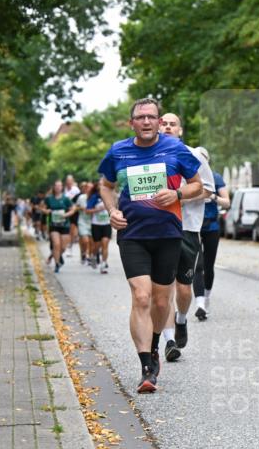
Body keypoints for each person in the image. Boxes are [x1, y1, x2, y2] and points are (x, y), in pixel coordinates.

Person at [97, 98, 203, 393]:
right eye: (140, 117)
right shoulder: (118, 151)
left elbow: (199, 185)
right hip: (132, 234)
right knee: (141, 297)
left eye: (151, 117)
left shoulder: (175, 149)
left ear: (159, 122)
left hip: (168, 234)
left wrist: (178, 194)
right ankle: (146, 366)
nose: (146, 122)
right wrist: (112, 211)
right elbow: (105, 184)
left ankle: (155, 346)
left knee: (160, 301)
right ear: (132, 123)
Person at [156, 113, 216, 362]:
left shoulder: (195, 155)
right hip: (157, 228)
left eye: (173, 124)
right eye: (164, 123)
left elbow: (209, 191)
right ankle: (169, 340)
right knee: (163, 287)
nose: (168, 127)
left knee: (183, 288)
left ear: (180, 131)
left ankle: (181, 320)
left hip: (187, 228)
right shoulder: (152, 155)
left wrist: (178, 195)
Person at [193, 155, 229, 321]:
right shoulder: (189, 177)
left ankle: (206, 298)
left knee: (208, 265)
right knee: (197, 265)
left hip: (211, 226)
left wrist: (213, 197)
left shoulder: (215, 177)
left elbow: (227, 203)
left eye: (203, 159)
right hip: (194, 226)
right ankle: (199, 303)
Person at [42, 180, 75, 272]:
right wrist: (46, 211)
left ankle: (56, 256)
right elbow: (43, 208)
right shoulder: (49, 198)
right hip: (54, 225)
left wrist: (66, 215)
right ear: (54, 187)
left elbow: (72, 209)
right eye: (56, 186)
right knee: (56, 244)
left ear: (62, 187)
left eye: (59, 186)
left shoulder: (66, 199)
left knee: (63, 247)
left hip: (64, 225)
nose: (57, 187)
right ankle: (57, 264)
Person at [87, 181, 112, 273]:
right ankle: (93, 256)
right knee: (97, 245)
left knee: (105, 243)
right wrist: (98, 209)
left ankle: (103, 264)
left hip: (106, 224)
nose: (102, 186)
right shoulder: (94, 197)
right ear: (97, 187)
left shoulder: (110, 195)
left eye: (103, 184)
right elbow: (87, 210)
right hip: (96, 224)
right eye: (100, 184)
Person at [75, 181, 94, 266]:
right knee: (85, 240)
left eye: (91, 187)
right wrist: (80, 208)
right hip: (82, 221)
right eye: (88, 187)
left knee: (91, 242)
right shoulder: (81, 197)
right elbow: (76, 207)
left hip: (93, 221)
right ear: (85, 188)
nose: (89, 189)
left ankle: (89, 257)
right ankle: (83, 253)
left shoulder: (95, 197)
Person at [64, 175, 80, 256]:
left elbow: (78, 201)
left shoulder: (76, 190)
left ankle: (70, 247)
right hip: (66, 211)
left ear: (73, 181)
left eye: (70, 180)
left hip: (74, 212)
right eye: (68, 180)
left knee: (72, 230)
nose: (69, 182)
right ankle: (67, 246)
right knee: (69, 230)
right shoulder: (64, 190)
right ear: (66, 181)